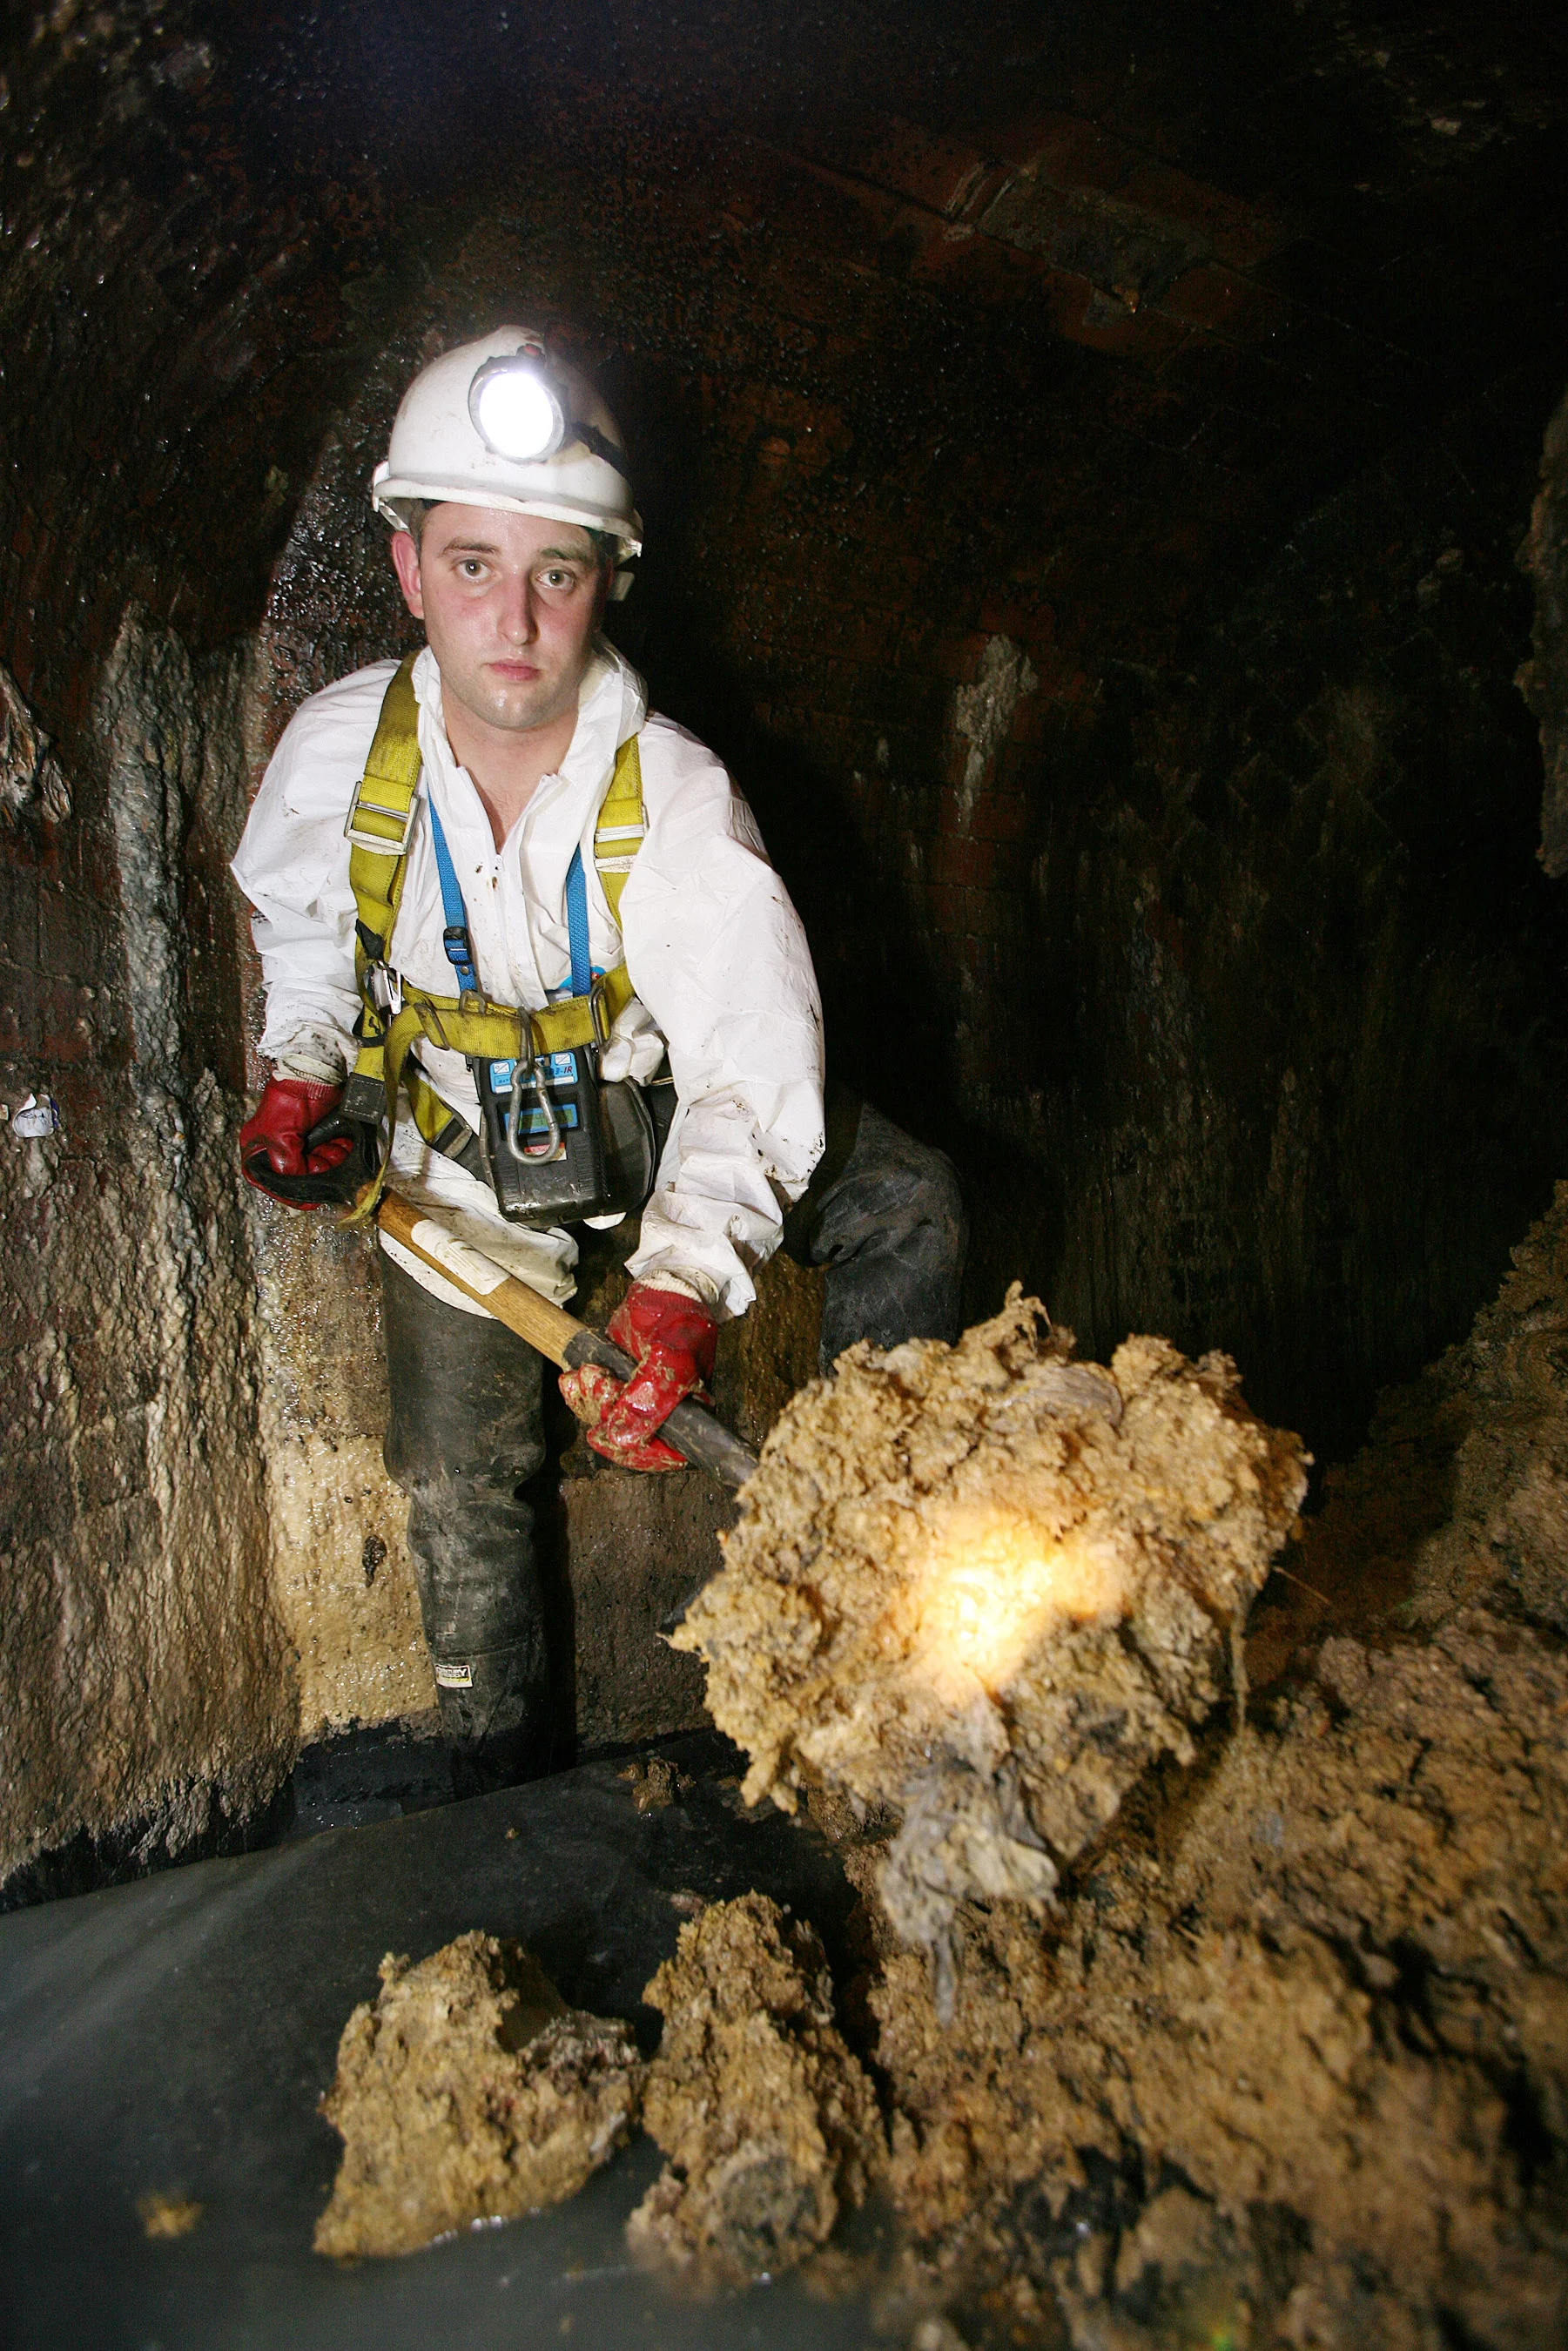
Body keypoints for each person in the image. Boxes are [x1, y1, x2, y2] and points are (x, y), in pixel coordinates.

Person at [232, 326, 966, 1789]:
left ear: (605, 582)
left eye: (555, 573)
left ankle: (889, 1603)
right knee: (456, 1479)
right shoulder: (337, 760)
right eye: (472, 566)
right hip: (457, 1167)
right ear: (408, 570)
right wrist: (305, 1070)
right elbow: (310, 938)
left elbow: (753, 1068)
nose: (513, 617)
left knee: (913, 1203)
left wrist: (681, 1285)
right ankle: (496, 1777)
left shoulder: (673, 793)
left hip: (655, 1135)